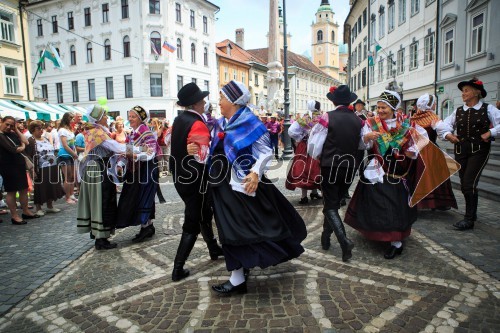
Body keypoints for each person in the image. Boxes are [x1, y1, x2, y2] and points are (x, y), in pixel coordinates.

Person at [204, 80, 307, 295]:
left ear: (233, 100)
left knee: (240, 228)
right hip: (221, 184)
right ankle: (239, 274)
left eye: (222, 98)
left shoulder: (251, 123)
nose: (219, 102)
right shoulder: (222, 124)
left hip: (242, 184)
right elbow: (213, 153)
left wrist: (254, 173)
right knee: (230, 229)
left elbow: (265, 152)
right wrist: (196, 152)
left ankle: (238, 278)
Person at [344, 90, 431, 259]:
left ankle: (395, 242)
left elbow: (423, 137)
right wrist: (367, 137)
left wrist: (412, 151)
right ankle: (378, 232)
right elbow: (362, 145)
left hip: (399, 172)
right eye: (378, 107)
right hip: (378, 170)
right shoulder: (370, 123)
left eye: (384, 107)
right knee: (378, 203)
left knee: (395, 205)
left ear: (393, 108)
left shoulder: (407, 124)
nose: (380, 111)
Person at [170, 83, 223, 282]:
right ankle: (178, 267)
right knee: (193, 220)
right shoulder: (197, 123)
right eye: (201, 100)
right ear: (194, 103)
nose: (204, 103)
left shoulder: (179, 120)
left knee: (203, 213)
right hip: (196, 180)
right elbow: (203, 157)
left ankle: (213, 248)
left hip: (181, 177)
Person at [436, 78, 500, 230]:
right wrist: (447, 135)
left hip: (479, 151)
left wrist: (491, 132)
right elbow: (443, 126)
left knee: (468, 183)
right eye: (462, 91)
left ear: (476, 92)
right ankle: (473, 213)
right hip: (461, 150)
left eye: (466, 90)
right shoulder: (458, 111)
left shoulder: (488, 108)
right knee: (466, 182)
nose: (463, 94)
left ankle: (469, 219)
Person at [307, 86, 362, 262]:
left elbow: (315, 144)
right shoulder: (359, 120)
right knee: (333, 203)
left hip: (331, 165)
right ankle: (325, 237)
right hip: (349, 166)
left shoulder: (327, 117)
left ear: (333, 101)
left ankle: (344, 242)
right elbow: (362, 145)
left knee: (330, 205)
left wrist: (317, 157)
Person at [77, 105, 128, 250]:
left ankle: (102, 236)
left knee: (103, 200)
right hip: (97, 169)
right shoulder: (96, 132)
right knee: (101, 201)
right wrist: (140, 150)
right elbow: (116, 147)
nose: (107, 117)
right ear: (99, 118)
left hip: (101, 167)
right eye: (105, 115)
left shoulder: (97, 130)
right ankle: (100, 239)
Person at [116, 106, 160, 242]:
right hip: (137, 170)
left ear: (141, 119)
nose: (130, 119)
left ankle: (146, 227)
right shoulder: (131, 134)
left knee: (144, 196)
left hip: (147, 168)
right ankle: (148, 226)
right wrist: (120, 164)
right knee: (138, 196)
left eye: (133, 116)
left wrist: (135, 156)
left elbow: (151, 152)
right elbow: (128, 151)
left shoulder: (146, 132)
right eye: (129, 116)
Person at [411, 93, 457, 211]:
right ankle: (438, 202)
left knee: (417, 176)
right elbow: (443, 132)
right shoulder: (433, 118)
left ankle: (418, 201)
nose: (435, 105)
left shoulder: (413, 118)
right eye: (434, 103)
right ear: (429, 105)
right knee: (436, 175)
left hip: (415, 151)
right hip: (431, 150)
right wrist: (451, 137)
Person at [0, 116, 37, 224]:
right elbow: (14, 149)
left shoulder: (13, 133)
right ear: (2, 122)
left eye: (11, 125)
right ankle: (14, 215)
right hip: (8, 166)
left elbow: (26, 141)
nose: (9, 127)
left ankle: (25, 211)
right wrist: (22, 145)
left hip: (19, 165)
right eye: (7, 124)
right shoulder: (1, 136)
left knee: (24, 189)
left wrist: (16, 130)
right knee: (11, 191)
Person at [285, 100, 322, 205]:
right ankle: (314, 192)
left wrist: (300, 137)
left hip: (304, 146)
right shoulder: (322, 117)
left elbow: (291, 131)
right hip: (317, 146)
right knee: (314, 170)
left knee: (304, 169)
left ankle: (304, 196)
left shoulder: (305, 118)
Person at [25, 120, 65, 217]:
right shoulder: (31, 140)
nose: (41, 130)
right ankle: (38, 208)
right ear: (33, 130)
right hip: (41, 167)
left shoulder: (45, 138)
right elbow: (29, 155)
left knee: (51, 185)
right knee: (40, 187)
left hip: (52, 166)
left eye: (41, 128)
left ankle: (50, 205)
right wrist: (32, 169)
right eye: (38, 129)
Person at [58, 113, 78, 204]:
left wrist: (74, 153)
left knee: (71, 177)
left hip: (71, 155)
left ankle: (71, 194)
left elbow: (72, 143)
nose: (73, 120)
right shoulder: (62, 130)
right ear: (67, 119)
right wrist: (74, 154)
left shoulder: (69, 129)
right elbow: (65, 145)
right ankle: (67, 197)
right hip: (64, 155)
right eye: (72, 118)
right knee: (67, 177)